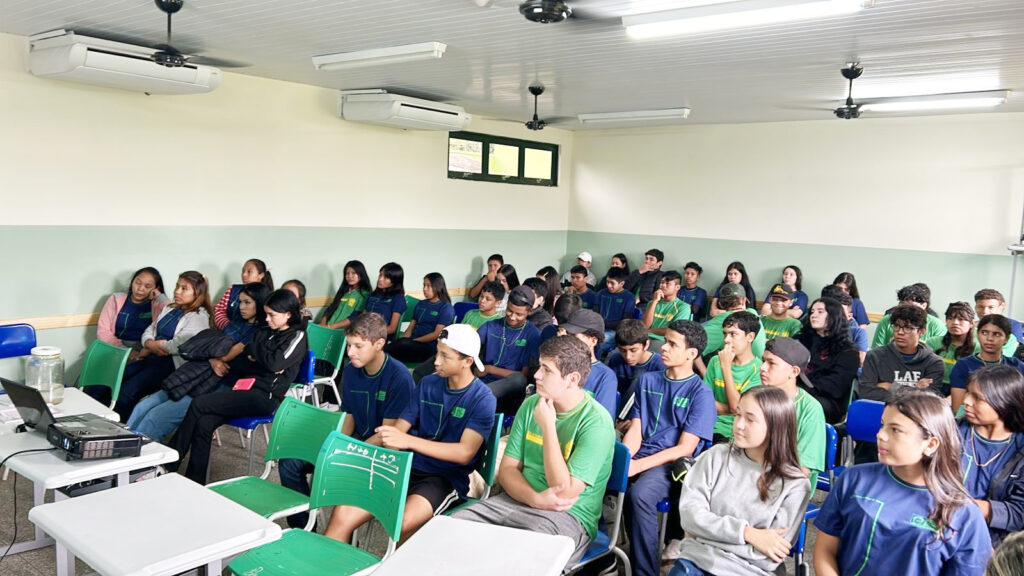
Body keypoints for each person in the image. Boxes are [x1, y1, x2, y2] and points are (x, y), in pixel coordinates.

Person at [453, 336, 615, 570]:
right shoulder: (531, 405)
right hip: (515, 501)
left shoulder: (596, 423)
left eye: (546, 370)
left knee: (519, 561)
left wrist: (548, 427)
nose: (537, 375)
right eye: (540, 367)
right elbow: (507, 470)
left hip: (566, 517)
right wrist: (535, 498)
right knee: (450, 530)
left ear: (572, 379)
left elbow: (562, 492)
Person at [325, 324, 495, 543]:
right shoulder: (428, 383)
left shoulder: (482, 398)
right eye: (437, 352)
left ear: (467, 362)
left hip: (443, 479)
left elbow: (464, 452)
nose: (436, 361)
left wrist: (407, 441)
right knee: (343, 512)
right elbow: (399, 431)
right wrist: (367, 448)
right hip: (404, 466)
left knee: (402, 523)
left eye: (445, 356)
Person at [814, 392, 992, 576]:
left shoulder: (963, 513)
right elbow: (825, 550)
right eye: (883, 425)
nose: (880, 435)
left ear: (930, 444)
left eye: (895, 429)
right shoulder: (853, 479)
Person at [280, 312, 415, 528]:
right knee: (289, 463)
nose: (350, 352)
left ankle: (343, 539)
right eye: (348, 345)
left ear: (379, 344)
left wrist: (347, 450)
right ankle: (304, 528)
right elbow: (349, 417)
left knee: (342, 479)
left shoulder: (399, 377)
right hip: (357, 439)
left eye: (358, 346)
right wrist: (337, 444)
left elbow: (386, 436)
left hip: (381, 451)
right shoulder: (352, 371)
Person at [169, 289, 308, 484]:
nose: (267, 319)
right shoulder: (266, 332)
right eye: (266, 314)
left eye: (272, 315)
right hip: (244, 389)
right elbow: (244, 362)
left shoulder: (297, 336)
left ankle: (171, 462)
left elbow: (275, 363)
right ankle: (195, 480)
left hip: (265, 396)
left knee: (199, 404)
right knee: (204, 423)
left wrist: (255, 352)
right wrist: (260, 357)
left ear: (288, 314)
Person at [668, 386, 811, 576]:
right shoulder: (714, 457)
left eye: (750, 419)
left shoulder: (795, 485)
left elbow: (767, 557)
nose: (739, 425)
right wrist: (748, 534)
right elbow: (690, 517)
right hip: (695, 565)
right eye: (737, 415)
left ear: (775, 426)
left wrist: (705, 535)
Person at [622, 320, 715, 576]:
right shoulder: (646, 380)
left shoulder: (701, 393)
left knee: (640, 495)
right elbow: (636, 430)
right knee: (590, 475)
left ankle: (645, 571)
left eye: (673, 344)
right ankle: (598, 554)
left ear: (691, 354)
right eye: (666, 341)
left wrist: (638, 465)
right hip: (641, 453)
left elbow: (685, 448)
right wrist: (626, 457)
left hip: (669, 464)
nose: (664, 348)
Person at [126, 282, 270, 441]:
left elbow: (227, 355)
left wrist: (211, 356)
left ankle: (140, 459)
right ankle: (123, 449)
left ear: (260, 302)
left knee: (155, 418)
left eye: (247, 302)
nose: (241, 306)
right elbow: (213, 350)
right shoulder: (237, 322)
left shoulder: (261, 333)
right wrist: (211, 358)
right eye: (240, 302)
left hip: (220, 383)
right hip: (197, 372)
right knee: (142, 408)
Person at [105, 271, 213, 421]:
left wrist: (156, 345)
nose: (177, 291)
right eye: (177, 286)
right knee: (115, 380)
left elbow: (179, 345)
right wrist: (150, 343)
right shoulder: (171, 308)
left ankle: (121, 430)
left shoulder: (198, 316)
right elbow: (150, 330)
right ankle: (104, 422)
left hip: (170, 366)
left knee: (127, 391)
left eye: (184, 288)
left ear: (198, 293)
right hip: (151, 357)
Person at [959, 365, 1024, 547]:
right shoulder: (951, 433)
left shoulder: (1020, 449)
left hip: (998, 544)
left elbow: (1020, 513)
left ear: (1004, 402)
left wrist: (969, 508)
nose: (966, 401)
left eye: (977, 398)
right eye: (967, 393)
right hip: (946, 530)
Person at [759, 337, 826, 487]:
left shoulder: (811, 410)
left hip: (786, 487)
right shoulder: (756, 397)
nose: (762, 367)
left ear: (794, 371)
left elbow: (801, 470)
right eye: (763, 361)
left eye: (771, 363)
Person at [476, 285, 541, 413]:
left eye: (519, 314)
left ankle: (477, 395)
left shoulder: (532, 334)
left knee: (519, 380)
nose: (512, 317)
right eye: (509, 311)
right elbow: (468, 347)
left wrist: (490, 369)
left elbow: (522, 376)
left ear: (529, 312)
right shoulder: (491, 326)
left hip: (509, 386)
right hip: (484, 380)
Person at [860, 304, 945, 402]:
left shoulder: (933, 362)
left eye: (908, 328)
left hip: (916, 415)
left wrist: (891, 387)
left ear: (921, 331)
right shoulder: (875, 356)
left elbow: (929, 400)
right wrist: (915, 389)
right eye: (896, 326)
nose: (900, 332)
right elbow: (866, 393)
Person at [796, 298, 860, 423]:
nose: (813, 315)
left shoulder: (848, 351)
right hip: (795, 390)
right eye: (812, 312)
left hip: (827, 400)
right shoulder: (799, 340)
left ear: (833, 316)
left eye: (820, 312)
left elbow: (835, 385)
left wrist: (802, 390)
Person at [950, 314, 1024, 414]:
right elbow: (958, 409)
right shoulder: (963, 366)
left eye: (997, 334)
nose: (989, 338)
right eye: (984, 332)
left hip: (1009, 423)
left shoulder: (1016, 366)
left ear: (1006, 339)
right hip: (970, 423)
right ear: (977, 334)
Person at [705, 311, 762, 440]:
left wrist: (726, 367)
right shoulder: (715, 361)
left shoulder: (759, 369)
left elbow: (736, 408)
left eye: (733, 334)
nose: (726, 340)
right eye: (725, 333)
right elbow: (703, 400)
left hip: (734, 432)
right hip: (706, 424)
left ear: (750, 337)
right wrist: (731, 409)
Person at [558, 309, 617, 419]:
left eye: (574, 337)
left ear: (593, 341)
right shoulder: (557, 366)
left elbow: (603, 420)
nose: (568, 341)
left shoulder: (605, 376)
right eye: (567, 335)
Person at [387, 272, 455, 364]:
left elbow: (436, 334)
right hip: (412, 343)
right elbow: (411, 326)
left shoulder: (445, 308)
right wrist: (405, 339)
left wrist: (413, 341)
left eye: (428, 286)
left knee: (396, 349)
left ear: (438, 287)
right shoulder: (420, 304)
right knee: (398, 346)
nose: (424, 289)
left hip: (429, 347)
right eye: (424, 285)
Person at [606, 319, 666, 420]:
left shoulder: (660, 366)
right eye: (623, 350)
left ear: (646, 345)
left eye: (633, 350)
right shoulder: (615, 360)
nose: (628, 356)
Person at [97, 267, 169, 350]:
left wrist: (160, 297)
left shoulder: (157, 304)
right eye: (138, 283)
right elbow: (103, 331)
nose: (140, 289)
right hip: (117, 349)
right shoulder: (116, 299)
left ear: (156, 288)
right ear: (132, 282)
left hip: (147, 349)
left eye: (147, 286)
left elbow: (172, 315)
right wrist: (124, 351)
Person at [701, 283, 766, 360]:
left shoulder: (723, 320)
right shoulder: (753, 312)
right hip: (761, 365)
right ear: (743, 300)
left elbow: (693, 345)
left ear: (720, 304)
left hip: (742, 370)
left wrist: (704, 372)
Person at [924, 302, 977, 394]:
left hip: (964, 390)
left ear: (971, 323)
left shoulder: (977, 348)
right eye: (950, 318)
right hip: (934, 388)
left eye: (961, 319)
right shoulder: (932, 343)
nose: (955, 323)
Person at [871, 284, 947, 348]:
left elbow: (939, 353)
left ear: (924, 305)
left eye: (911, 307)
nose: (906, 310)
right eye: (902, 305)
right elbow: (876, 349)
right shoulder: (886, 320)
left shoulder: (937, 325)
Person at [213, 258, 274, 330]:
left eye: (249, 271)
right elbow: (219, 311)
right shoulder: (233, 289)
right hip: (227, 332)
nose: (244, 275)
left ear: (261, 275)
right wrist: (229, 328)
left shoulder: (268, 295)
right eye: (243, 271)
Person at [820, 285, 868, 364]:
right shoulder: (820, 331)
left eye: (841, 311)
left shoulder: (858, 333)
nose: (837, 314)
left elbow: (860, 361)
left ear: (849, 316)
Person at [319, 260, 371, 330]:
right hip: (328, 327)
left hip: (343, 332)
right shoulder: (343, 291)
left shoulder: (364, 294)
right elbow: (330, 309)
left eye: (353, 273)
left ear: (361, 274)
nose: (350, 276)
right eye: (347, 273)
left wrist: (331, 327)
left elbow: (354, 317)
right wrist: (323, 324)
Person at [642, 271, 693, 344]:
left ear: (677, 287)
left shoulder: (683, 307)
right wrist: (654, 301)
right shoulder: (652, 303)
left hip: (664, 341)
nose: (663, 285)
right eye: (662, 282)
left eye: (667, 283)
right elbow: (645, 326)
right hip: (644, 338)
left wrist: (649, 331)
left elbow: (674, 330)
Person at [595, 266, 635, 358]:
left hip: (615, 331)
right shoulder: (601, 293)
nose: (609, 285)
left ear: (621, 283)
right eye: (607, 282)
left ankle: (596, 365)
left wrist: (604, 324)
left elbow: (625, 322)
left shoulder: (629, 297)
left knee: (599, 343)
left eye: (612, 283)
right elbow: (595, 313)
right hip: (598, 328)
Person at [365, 262, 407, 339]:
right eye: (380, 275)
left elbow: (392, 328)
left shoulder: (398, 298)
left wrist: (370, 334)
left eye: (386, 277)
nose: (380, 279)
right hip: (364, 333)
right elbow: (363, 317)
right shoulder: (373, 295)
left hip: (380, 337)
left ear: (394, 281)